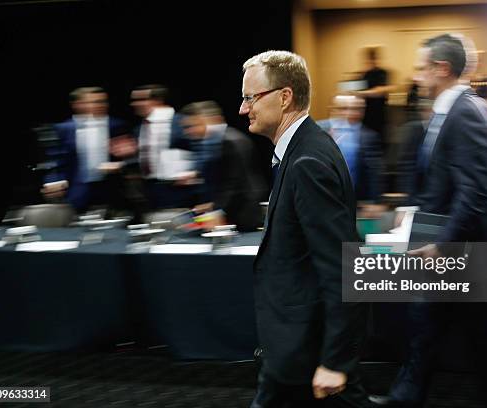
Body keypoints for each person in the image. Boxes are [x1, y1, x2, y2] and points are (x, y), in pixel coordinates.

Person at [369, 34, 487, 408]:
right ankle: (404, 400)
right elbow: (443, 183)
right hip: (456, 250)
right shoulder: (449, 112)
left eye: (421, 67)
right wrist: (414, 214)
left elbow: (474, 193)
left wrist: (441, 243)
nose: (417, 75)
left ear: (441, 69)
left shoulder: (466, 113)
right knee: (426, 331)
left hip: (475, 255)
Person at [239, 50, 370, 407]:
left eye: (250, 97)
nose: (243, 108)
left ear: (284, 97)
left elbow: (344, 267)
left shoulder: (307, 161)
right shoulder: (303, 149)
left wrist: (335, 361)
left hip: (305, 352)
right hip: (295, 349)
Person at [179, 101, 267, 231]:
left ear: (207, 121)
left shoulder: (229, 141)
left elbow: (234, 183)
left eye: (192, 126)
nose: (188, 132)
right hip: (234, 210)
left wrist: (217, 212)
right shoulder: (221, 139)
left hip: (242, 214)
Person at [42, 87, 130, 213]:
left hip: (112, 190)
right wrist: (52, 181)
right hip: (75, 190)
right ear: (77, 105)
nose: (101, 105)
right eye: (95, 102)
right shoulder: (62, 129)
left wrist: (122, 164)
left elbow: (130, 156)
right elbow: (53, 159)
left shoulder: (117, 125)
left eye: (103, 101)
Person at [130, 84, 195, 209]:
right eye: (134, 100)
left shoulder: (183, 122)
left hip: (181, 190)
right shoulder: (139, 128)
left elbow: (201, 150)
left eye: (141, 100)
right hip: (151, 191)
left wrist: (194, 172)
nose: (135, 104)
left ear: (158, 100)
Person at [318, 94, 384, 203]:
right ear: (332, 110)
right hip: (322, 198)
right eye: (343, 109)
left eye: (355, 109)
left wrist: (375, 201)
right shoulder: (318, 130)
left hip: (355, 202)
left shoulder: (369, 137)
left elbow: (374, 173)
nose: (349, 113)